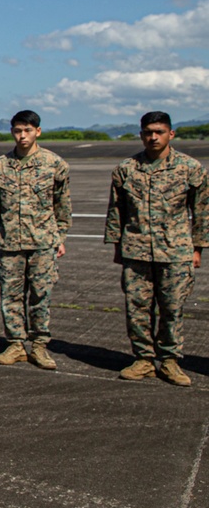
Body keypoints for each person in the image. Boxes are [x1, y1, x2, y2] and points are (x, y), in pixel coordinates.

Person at [104, 111, 208, 386]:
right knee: (137, 307)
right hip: (136, 251)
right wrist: (117, 247)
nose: (153, 137)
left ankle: (170, 360)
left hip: (176, 252)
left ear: (171, 134)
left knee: (172, 308)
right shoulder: (126, 169)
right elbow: (116, 212)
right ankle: (144, 359)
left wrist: (198, 249)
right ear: (141, 134)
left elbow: (202, 213)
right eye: (148, 132)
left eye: (159, 132)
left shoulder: (190, 168)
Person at [0, 110, 71, 370]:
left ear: (38, 131)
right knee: (10, 296)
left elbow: (63, 205)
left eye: (27, 130)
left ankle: (39, 346)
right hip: (10, 242)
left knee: (41, 295)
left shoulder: (54, 164)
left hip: (43, 241)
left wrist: (60, 237)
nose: (22, 135)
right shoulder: (0, 165)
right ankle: (15, 344)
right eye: (17, 130)